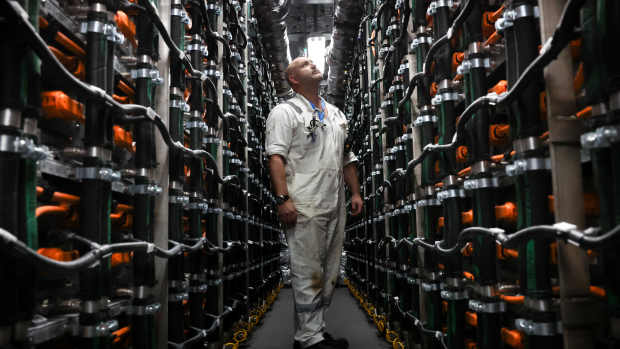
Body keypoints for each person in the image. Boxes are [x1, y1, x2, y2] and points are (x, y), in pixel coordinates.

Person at [265, 57, 363, 349]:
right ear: (293, 79)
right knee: (308, 271)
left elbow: (347, 159)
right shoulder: (285, 112)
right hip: (305, 203)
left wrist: (355, 193)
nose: (312, 64)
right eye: (304, 63)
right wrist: (283, 199)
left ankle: (315, 330)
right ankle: (308, 339)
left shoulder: (335, 114)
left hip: (334, 202)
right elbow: (276, 158)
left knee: (329, 272)